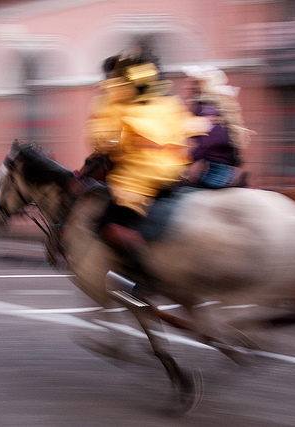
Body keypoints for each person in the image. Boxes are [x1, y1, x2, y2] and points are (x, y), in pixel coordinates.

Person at [86, 54, 209, 303]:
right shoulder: (168, 99)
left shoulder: (116, 100)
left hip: (142, 179)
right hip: (175, 172)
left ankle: (142, 280)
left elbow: (106, 144)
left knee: (105, 224)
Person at [182, 65, 254, 189]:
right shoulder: (220, 107)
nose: (187, 87)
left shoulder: (204, 108)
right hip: (228, 171)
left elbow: (208, 142)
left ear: (201, 86)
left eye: (193, 83)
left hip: (215, 172)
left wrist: (185, 161)